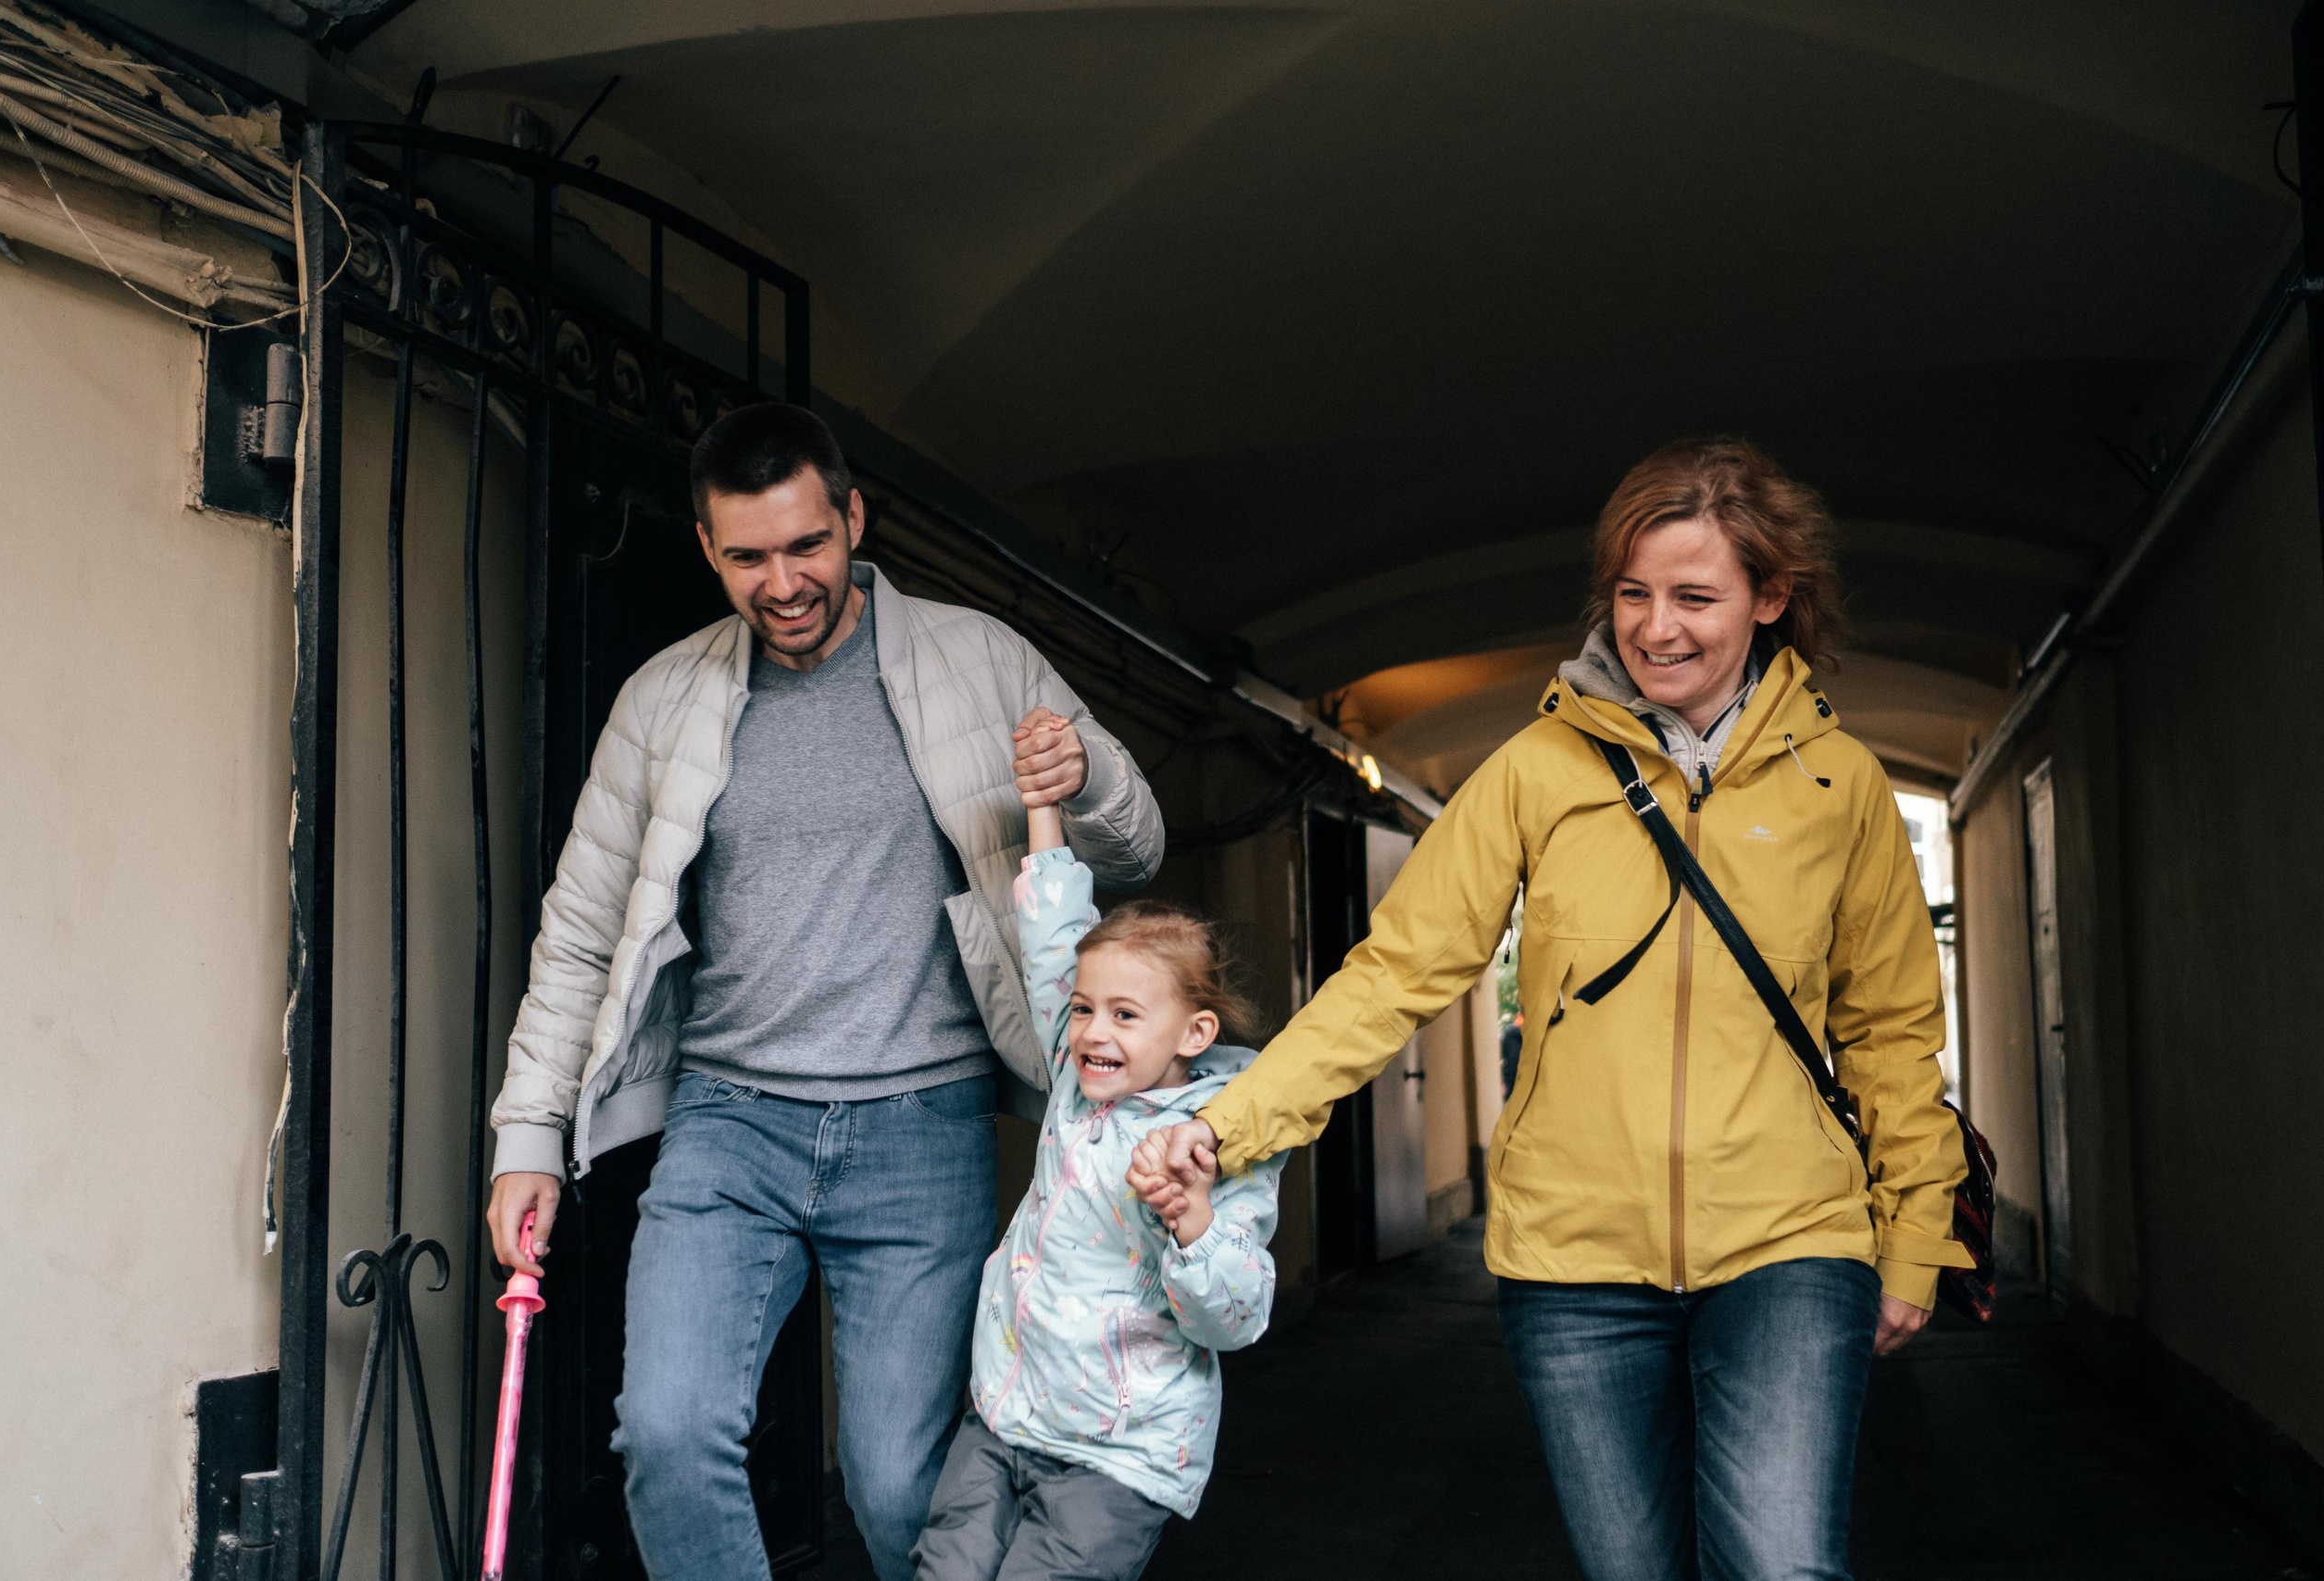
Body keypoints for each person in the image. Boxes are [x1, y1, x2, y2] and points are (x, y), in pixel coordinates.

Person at [1137, 437, 1969, 1581]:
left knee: (1780, 1566)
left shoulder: (1844, 788)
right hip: (1575, 1258)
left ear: (1772, 599)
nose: (1655, 627)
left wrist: (1915, 1239)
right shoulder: (1538, 770)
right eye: (1633, 593)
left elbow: (1887, 1035)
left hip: (1789, 1238)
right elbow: (1396, 974)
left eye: (1694, 596)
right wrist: (1227, 1128)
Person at [481, 404, 1165, 1581]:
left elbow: (1138, 844)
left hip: (921, 1126)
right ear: (707, 549)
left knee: (899, 1484)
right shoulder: (662, 702)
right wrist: (529, 1133)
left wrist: (1090, 772)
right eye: (749, 556)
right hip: (727, 1126)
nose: (783, 581)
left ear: (853, 517)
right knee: (666, 1433)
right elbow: (584, 930)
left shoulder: (979, 659)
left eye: (806, 545)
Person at [912, 711, 1284, 1581]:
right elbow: (1050, 940)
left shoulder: (1222, 1139)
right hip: (1007, 1410)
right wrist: (1044, 804)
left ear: (1193, 1031)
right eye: (1083, 1009)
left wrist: (1192, 1220)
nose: (1091, 1030)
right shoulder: (1077, 1077)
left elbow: (1236, 1317)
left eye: (1124, 1014)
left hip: (1121, 1450)